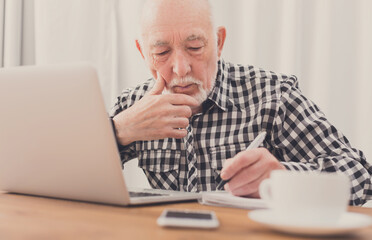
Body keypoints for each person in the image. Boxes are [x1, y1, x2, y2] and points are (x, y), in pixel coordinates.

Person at [110, 0, 372, 205]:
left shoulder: (273, 96)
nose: (180, 68)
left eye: (195, 47)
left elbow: (361, 175)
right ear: (143, 52)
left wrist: (283, 178)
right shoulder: (134, 104)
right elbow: (72, 173)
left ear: (219, 42)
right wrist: (119, 130)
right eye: (161, 52)